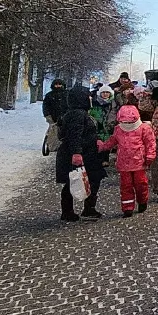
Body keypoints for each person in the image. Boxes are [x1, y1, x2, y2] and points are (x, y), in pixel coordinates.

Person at [56, 86, 106, 221]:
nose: (90, 98)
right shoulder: (77, 114)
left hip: (86, 153)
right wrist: (76, 153)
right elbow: (74, 135)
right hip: (81, 154)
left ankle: (82, 209)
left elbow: (86, 132)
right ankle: (73, 211)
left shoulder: (77, 112)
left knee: (83, 180)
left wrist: (96, 139)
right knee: (75, 181)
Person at [98, 105, 156, 218]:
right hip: (126, 164)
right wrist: (103, 146)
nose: (127, 124)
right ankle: (128, 207)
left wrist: (150, 155)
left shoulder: (143, 128)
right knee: (126, 186)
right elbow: (112, 141)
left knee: (140, 184)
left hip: (138, 163)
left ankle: (142, 201)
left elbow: (150, 143)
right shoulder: (119, 129)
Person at [88, 85, 115, 166]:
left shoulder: (113, 103)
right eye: (103, 92)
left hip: (108, 125)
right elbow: (92, 113)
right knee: (98, 142)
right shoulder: (95, 103)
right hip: (98, 125)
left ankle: (105, 159)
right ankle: (98, 159)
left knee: (107, 143)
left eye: (107, 92)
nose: (105, 94)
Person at [42, 78, 68, 155]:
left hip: (66, 117)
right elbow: (45, 107)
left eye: (60, 84)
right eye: (56, 84)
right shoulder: (49, 95)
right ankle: (51, 146)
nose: (58, 86)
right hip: (53, 118)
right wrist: (48, 116)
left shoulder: (67, 94)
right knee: (53, 132)